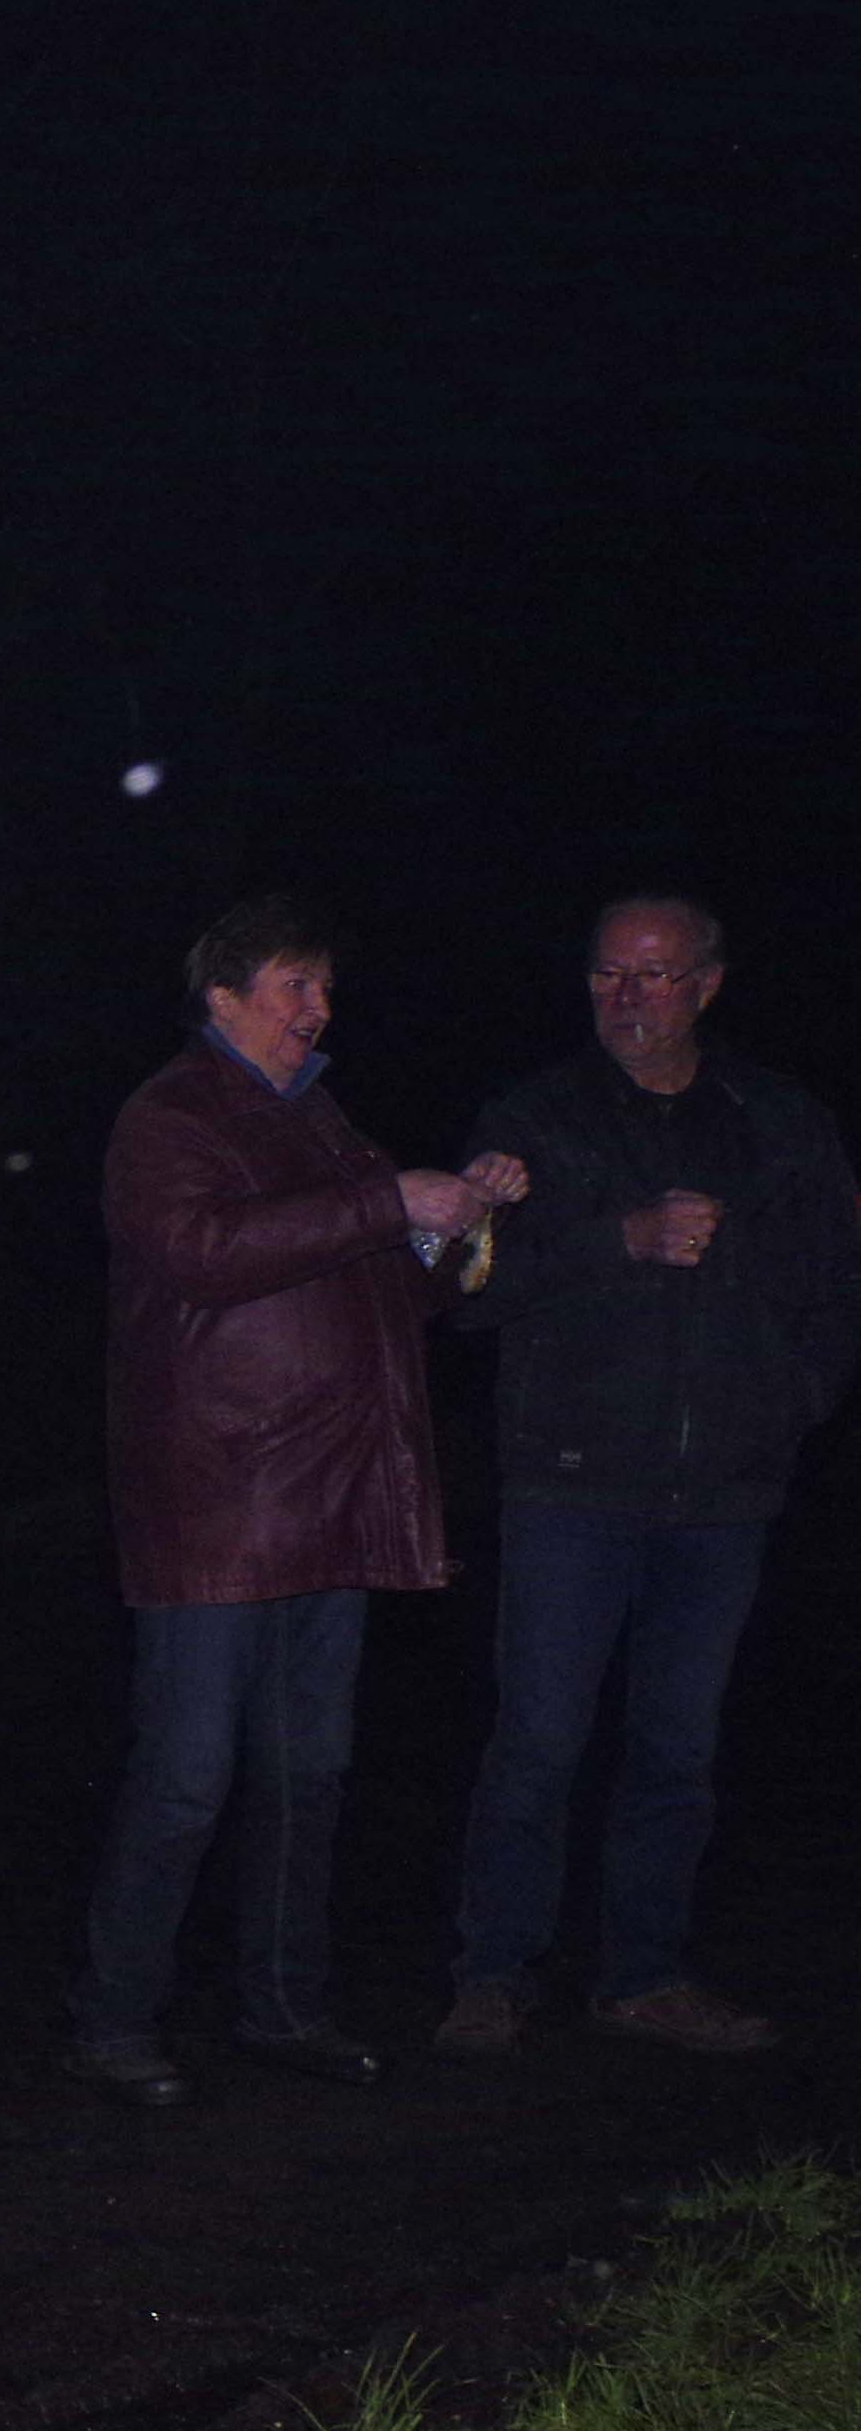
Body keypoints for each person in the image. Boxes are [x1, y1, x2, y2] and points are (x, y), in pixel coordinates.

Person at [64, 894, 523, 2106]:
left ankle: (283, 2007)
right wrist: (391, 1203)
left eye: (323, 986)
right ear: (221, 1000)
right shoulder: (168, 1114)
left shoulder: (317, 1115)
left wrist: (453, 1222)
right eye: (291, 987)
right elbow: (200, 1252)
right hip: (216, 1501)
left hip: (327, 1494)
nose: (316, 1010)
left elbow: (390, 1297)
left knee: (306, 1768)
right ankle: (114, 2020)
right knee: (187, 1772)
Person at [439, 897, 858, 2059]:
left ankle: (644, 1972)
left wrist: (790, 1400)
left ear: (708, 985)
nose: (628, 996)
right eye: (608, 974)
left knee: (676, 1744)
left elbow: (833, 1277)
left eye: (655, 975)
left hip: (723, 1491)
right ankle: (492, 1971)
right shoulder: (536, 1116)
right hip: (571, 1485)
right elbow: (465, 1287)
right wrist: (614, 1240)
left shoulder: (774, 1120)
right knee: (538, 1738)